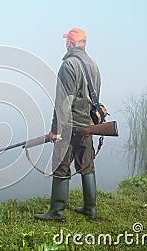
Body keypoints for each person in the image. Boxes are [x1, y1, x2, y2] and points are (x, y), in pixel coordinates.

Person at [34, 28, 101, 222]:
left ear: (70, 44)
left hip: (70, 126)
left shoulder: (69, 65)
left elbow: (63, 101)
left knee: (61, 167)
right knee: (87, 165)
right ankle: (90, 209)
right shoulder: (94, 65)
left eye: (67, 41)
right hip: (87, 126)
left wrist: (56, 129)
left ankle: (56, 212)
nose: (66, 44)